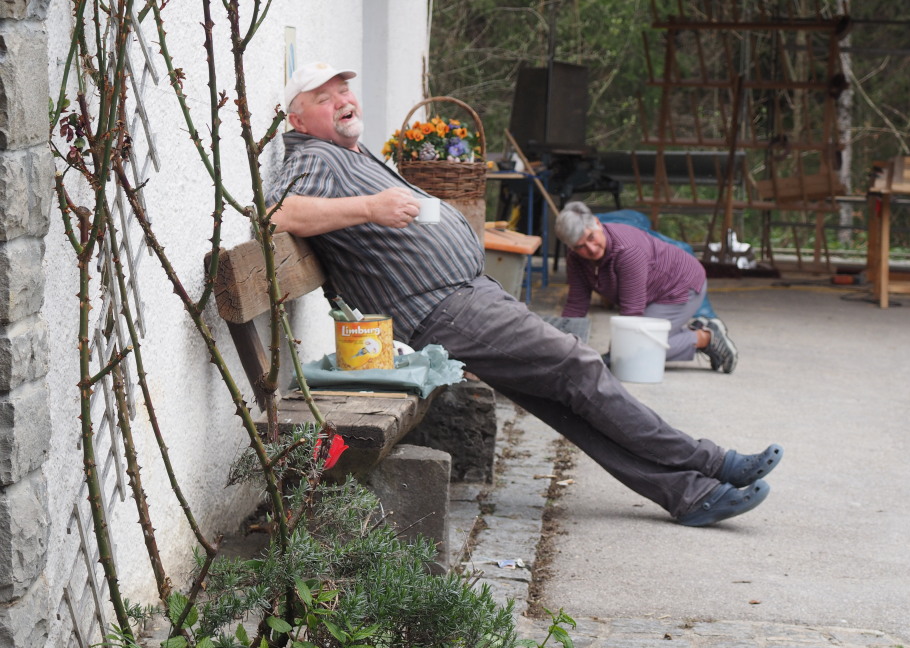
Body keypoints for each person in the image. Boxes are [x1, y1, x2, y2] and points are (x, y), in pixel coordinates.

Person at [267, 62, 783, 526]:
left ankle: (689, 494)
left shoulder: (346, 152)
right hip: (443, 308)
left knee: (562, 398)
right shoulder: (314, 155)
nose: (342, 100)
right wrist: (371, 208)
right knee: (579, 366)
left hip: (461, 298)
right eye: (324, 98)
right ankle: (710, 461)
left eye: (344, 91)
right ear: (298, 120)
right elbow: (277, 212)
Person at [556, 201, 738, 373]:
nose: (591, 249)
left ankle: (706, 337)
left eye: (591, 237)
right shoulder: (576, 259)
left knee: (635, 352)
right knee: (627, 350)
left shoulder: (627, 251)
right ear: (571, 247)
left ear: (597, 223)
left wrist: (617, 354)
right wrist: (561, 349)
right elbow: (576, 305)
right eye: (580, 246)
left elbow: (632, 312)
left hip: (679, 286)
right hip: (651, 292)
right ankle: (694, 331)